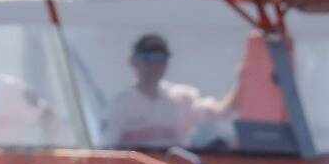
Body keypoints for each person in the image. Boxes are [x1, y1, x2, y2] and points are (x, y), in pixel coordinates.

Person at [101, 33, 237, 149]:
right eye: (147, 58)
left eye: (160, 58)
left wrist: (245, 77)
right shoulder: (119, 105)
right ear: (132, 61)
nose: (154, 65)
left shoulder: (182, 98)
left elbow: (222, 112)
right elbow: (107, 151)